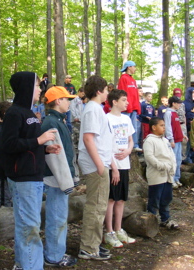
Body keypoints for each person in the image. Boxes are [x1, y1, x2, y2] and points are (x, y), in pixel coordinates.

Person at [2, 71, 61, 270]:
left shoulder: (30, 113)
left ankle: (23, 264)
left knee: (27, 226)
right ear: (26, 88)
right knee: (30, 227)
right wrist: (39, 140)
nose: (40, 89)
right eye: (37, 86)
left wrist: (44, 148)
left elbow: (26, 144)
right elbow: (9, 145)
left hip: (34, 176)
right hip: (23, 178)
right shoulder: (14, 113)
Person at [78, 75, 116, 261]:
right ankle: (88, 247)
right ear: (99, 91)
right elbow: (88, 138)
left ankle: (94, 243)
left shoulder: (96, 109)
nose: (108, 93)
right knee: (96, 206)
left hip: (100, 162)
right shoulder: (92, 109)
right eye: (106, 90)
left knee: (99, 205)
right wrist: (100, 165)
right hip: (96, 164)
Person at [41, 86, 78, 267]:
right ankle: (54, 256)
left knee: (59, 218)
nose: (69, 102)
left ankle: (56, 252)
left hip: (60, 179)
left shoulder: (58, 121)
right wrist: (66, 181)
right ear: (57, 101)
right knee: (57, 219)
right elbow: (55, 158)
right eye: (66, 99)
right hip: (56, 180)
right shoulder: (51, 123)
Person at [103, 89, 136, 248]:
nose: (127, 103)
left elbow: (130, 140)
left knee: (121, 199)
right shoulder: (106, 119)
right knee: (110, 199)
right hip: (112, 165)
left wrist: (129, 150)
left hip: (125, 164)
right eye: (124, 100)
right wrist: (113, 167)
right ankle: (108, 232)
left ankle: (118, 229)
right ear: (114, 102)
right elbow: (104, 146)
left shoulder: (127, 119)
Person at [143, 117, 178, 229]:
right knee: (155, 199)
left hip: (168, 175)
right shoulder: (149, 141)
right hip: (157, 175)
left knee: (166, 198)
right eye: (161, 125)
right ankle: (150, 221)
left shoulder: (165, 140)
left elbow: (171, 154)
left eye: (164, 125)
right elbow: (149, 157)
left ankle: (165, 219)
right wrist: (161, 166)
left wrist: (173, 166)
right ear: (154, 127)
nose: (164, 127)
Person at [118, 60, 141, 151]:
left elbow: (135, 95)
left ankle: (134, 145)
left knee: (134, 127)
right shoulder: (123, 78)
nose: (135, 68)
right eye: (134, 66)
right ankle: (125, 145)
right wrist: (124, 105)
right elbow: (122, 93)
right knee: (125, 127)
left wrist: (137, 107)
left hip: (134, 108)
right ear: (129, 67)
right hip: (126, 108)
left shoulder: (133, 80)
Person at [0, 101, 12, 208]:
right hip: (2, 170)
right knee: (4, 196)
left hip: (9, 169)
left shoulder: (8, 129)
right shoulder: (1, 131)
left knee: (9, 194)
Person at [164, 96, 186, 189]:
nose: (179, 104)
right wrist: (171, 139)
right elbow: (168, 127)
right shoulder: (168, 113)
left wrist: (183, 134)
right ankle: (171, 179)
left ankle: (177, 178)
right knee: (173, 161)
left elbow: (177, 127)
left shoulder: (175, 113)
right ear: (173, 103)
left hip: (179, 139)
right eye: (178, 103)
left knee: (178, 159)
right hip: (174, 141)